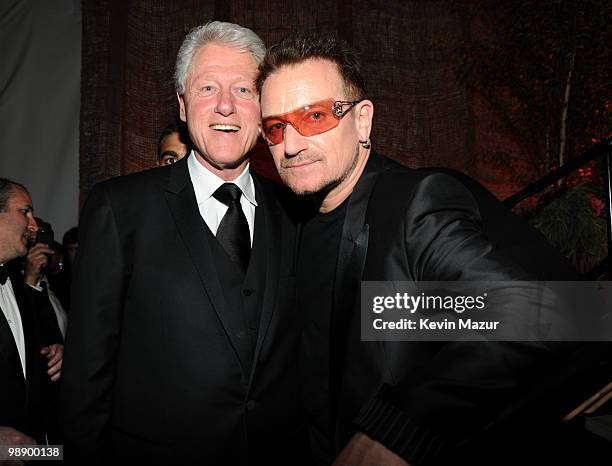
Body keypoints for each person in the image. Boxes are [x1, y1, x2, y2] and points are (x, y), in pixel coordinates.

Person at [257, 35, 587, 465]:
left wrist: (399, 429)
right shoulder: (292, 220)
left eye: (315, 116)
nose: (292, 144)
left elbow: (527, 312)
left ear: (362, 122)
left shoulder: (413, 202)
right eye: (276, 127)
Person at [60, 21, 305, 464]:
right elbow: (87, 373)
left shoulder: (298, 211)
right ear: (182, 104)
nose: (226, 106)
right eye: (208, 87)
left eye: (244, 90)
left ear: (265, 106)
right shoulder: (121, 208)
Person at [0, 178, 64, 445]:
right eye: (24, 211)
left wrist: (59, 352)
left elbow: (41, 344)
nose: (34, 225)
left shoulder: (18, 284)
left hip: (34, 449)